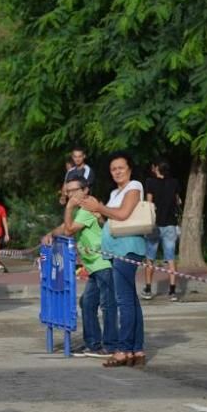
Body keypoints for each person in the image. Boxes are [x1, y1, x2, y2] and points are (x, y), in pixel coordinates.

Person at [75, 151, 146, 367]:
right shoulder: (116, 191)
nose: (117, 172)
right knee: (130, 300)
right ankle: (136, 348)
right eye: (113, 169)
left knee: (123, 301)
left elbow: (123, 214)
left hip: (127, 249)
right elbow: (112, 218)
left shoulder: (134, 186)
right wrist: (100, 213)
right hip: (115, 250)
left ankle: (123, 349)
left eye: (121, 167)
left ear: (130, 169)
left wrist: (99, 208)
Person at [49, 170, 117, 358]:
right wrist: (50, 235)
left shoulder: (87, 207)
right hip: (94, 266)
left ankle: (110, 345)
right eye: (68, 191)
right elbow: (63, 228)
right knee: (87, 303)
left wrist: (69, 208)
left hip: (103, 263)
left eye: (74, 190)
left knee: (107, 304)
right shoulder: (82, 210)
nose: (70, 195)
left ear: (85, 190)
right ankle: (93, 344)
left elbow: (69, 230)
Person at [142, 158, 182, 301]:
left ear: (156, 168)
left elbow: (149, 204)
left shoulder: (150, 182)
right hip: (170, 223)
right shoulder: (174, 182)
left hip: (154, 225)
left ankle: (147, 288)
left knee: (150, 258)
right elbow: (177, 201)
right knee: (171, 258)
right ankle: (172, 291)